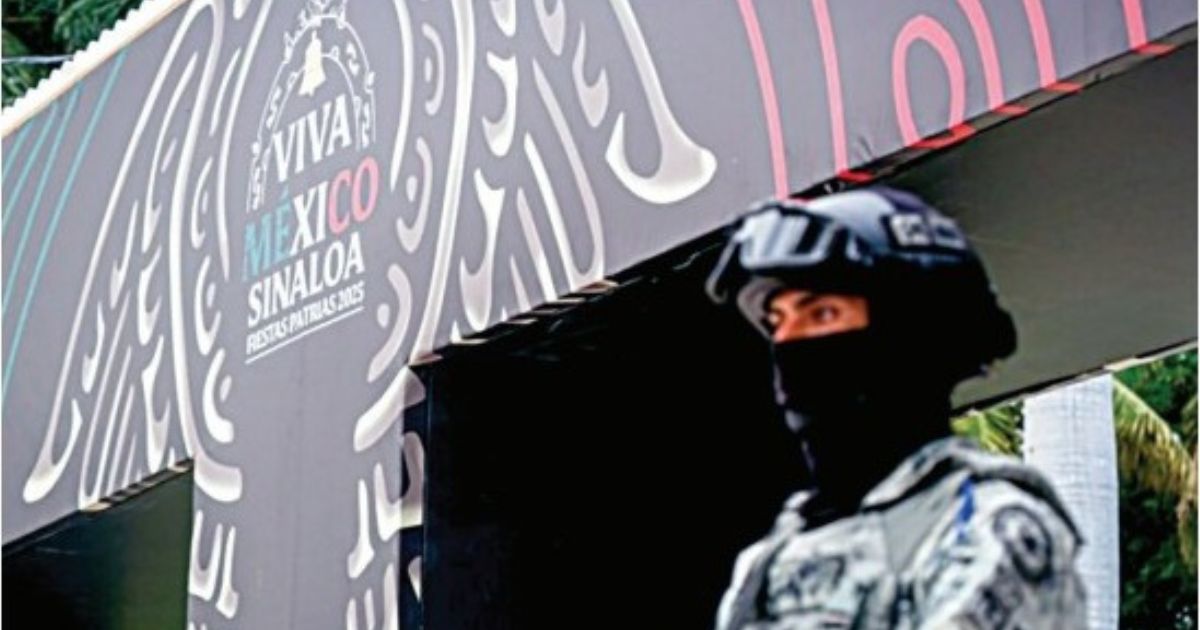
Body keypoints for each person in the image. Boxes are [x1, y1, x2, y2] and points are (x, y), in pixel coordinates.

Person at [706, 187, 1087, 629]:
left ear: (909, 333)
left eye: (823, 314)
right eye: (777, 324)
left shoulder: (990, 527)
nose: (789, 345)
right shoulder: (777, 554)